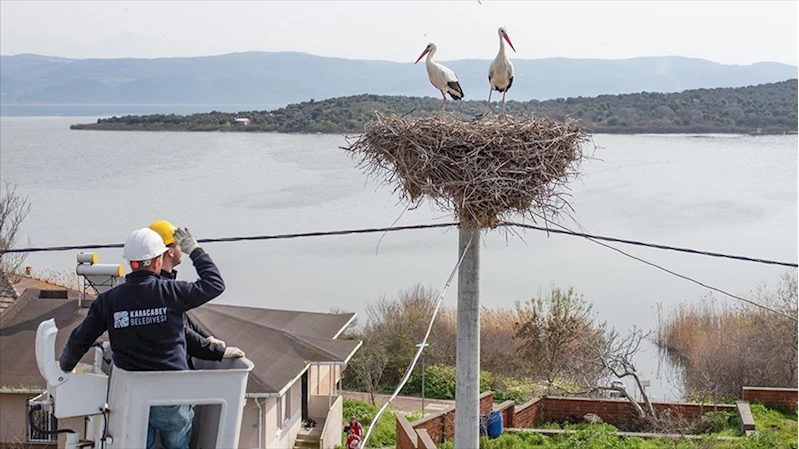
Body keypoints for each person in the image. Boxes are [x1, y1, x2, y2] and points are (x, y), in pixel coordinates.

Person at [59, 226, 225, 449]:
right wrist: (194, 250)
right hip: (171, 397)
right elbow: (214, 284)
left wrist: (65, 367)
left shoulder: (109, 301)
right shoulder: (171, 292)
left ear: (132, 263)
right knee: (177, 445)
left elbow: (80, 339)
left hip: (133, 397)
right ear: (157, 262)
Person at [148, 219, 243, 366]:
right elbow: (215, 284)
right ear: (170, 252)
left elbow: (181, 319)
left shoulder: (156, 287)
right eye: (178, 244)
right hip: (170, 370)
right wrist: (195, 251)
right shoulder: (165, 290)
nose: (182, 249)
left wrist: (206, 337)